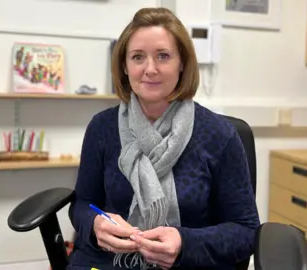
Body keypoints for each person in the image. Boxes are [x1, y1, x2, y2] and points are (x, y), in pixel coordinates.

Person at [67, 7, 260, 270]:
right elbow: (81, 205)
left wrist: (184, 241)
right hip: (109, 261)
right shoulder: (102, 128)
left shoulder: (220, 135)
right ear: (124, 66)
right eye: (137, 57)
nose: (150, 69)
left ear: (182, 64)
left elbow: (246, 230)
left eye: (163, 56)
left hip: (190, 263)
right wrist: (95, 224)